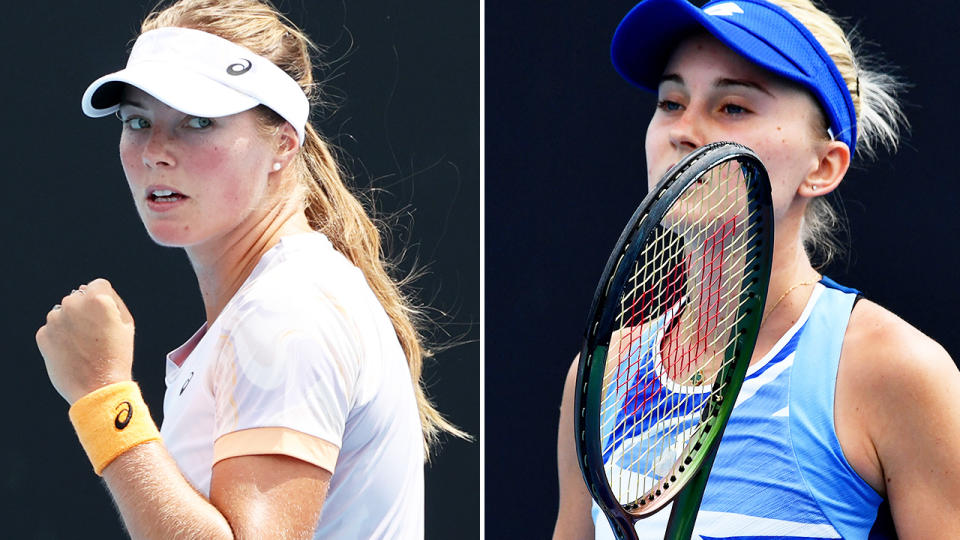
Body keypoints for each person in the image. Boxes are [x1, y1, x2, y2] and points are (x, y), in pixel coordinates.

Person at [35, 0, 463, 537]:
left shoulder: (286, 313)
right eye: (137, 120)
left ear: (283, 142)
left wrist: (103, 395)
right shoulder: (283, 299)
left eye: (198, 121)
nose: (155, 152)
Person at [555, 0, 960, 538]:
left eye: (733, 108)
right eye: (671, 102)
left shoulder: (898, 372)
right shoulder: (597, 378)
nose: (684, 130)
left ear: (823, 166)